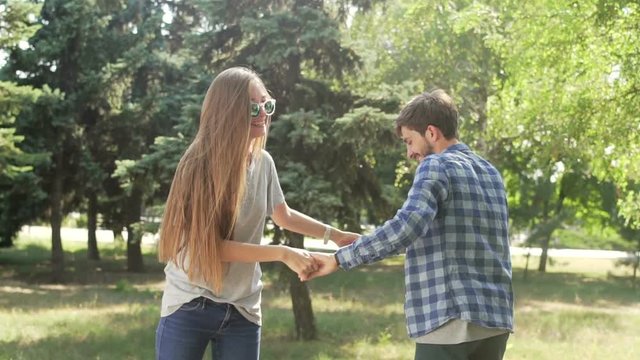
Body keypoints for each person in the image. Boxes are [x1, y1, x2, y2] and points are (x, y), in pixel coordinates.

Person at [155, 66, 358, 360]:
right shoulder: (197, 164)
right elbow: (209, 247)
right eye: (253, 108)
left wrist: (335, 235)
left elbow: (283, 214)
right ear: (227, 112)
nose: (263, 113)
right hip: (190, 303)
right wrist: (282, 253)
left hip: (242, 309)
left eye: (267, 104)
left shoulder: (263, 162)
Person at [307, 89, 514, 360]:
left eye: (409, 141)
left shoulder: (436, 166)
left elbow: (407, 226)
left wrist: (340, 259)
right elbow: (445, 236)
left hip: (450, 317)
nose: (409, 152)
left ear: (431, 132)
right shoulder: (490, 172)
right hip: (494, 319)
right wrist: (366, 243)